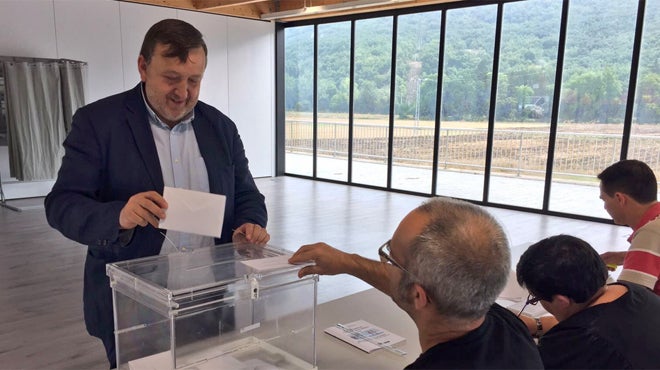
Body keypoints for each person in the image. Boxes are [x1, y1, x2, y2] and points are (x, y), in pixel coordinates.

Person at [44, 19, 269, 368]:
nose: (184, 92)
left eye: (194, 80)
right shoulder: (98, 123)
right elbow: (61, 205)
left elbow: (247, 195)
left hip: (211, 297)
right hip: (133, 305)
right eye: (172, 78)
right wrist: (118, 215)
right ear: (143, 67)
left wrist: (250, 224)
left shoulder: (221, 128)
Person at [289, 197, 543, 369]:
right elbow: (406, 285)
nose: (385, 265)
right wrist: (348, 262)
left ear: (419, 296)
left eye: (389, 257)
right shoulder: (507, 326)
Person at [516, 234, 660, 369]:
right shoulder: (634, 291)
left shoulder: (577, 343)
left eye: (535, 298)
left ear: (561, 301)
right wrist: (537, 324)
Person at [597, 159, 660, 295]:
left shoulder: (651, 232)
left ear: (620, 199)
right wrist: (628, 256)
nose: (605, 207)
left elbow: (630, 298)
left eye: (604, 200)